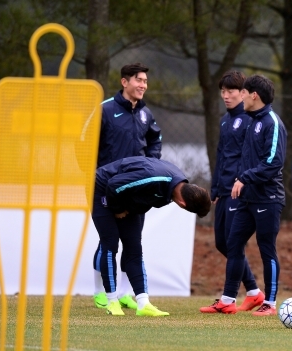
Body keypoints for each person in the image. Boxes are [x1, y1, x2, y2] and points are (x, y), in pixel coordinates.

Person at [203, 74, 287, 316]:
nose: (236, 96)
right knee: (233, 243)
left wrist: (244, 178)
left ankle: (269, 304)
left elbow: (273, 163)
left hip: (268, 198)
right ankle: (228, 300)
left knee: (266, 248)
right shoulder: (249, 121)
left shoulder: (272, 122)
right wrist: (223, 185)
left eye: (242, 91)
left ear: (253, 95)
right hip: (246, 198)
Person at [93, 156, 211, 316]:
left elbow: (143, 198)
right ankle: (112, 302)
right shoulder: (155, 179)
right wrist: (119, 209)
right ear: (183, 205)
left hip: (125, 197)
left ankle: (143, 303)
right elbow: (113, 186)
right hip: (102, 187)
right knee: (110, 243)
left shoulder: (178, 186)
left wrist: (128, 209)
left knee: (134, 247)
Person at [91, 63, 163, 311]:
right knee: (108, 242)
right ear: (124, 82)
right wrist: (93, 176)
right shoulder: (105, 110)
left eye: (145, 80)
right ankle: (101, 293)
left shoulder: (146, 114)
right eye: (138, 80)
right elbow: (84, 144)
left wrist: (151, 164)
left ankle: (128, 295)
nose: (143, 85)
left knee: (133, 243)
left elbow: (155, 140)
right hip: (106, 188)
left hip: (135, 191)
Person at [199, 71, 264, 313]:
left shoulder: (249, 120)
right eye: (223, 92)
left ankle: (232, 298)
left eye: (231, 91)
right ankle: (255, 292)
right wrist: (215, 186)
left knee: (233, 243)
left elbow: (249, 157)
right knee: (221, 243)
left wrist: (242, 181)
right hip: (223, 191)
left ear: (243, 93)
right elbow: (220, 155)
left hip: (239, 190)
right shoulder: (225, 121)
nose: (226, 96)